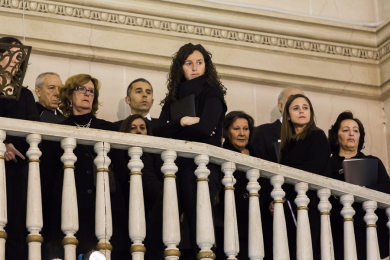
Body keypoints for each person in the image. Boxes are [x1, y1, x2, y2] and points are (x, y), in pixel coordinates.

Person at [148, 43, 227, 259]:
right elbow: (157, 130)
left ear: (206, 66)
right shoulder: (175, 97)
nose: (195, 68)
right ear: (180, 68)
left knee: (199, 229)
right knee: (157, 226)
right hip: (177, 168)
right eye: (188, 63)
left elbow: (205, 128)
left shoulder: (213, 92)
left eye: (199, 63)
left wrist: (175, 129)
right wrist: (182, 121)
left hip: (202, 168)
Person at [41, 74, 130, 259]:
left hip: (104, 206)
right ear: (69, 95)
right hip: (68, 206)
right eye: (81, 89)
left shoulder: (108, 128)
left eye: (91, 91)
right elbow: (48, 176)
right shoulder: (56, 129)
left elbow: (120, 173)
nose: (87, 94)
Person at [328, 111, 390, 259]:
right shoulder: (328, 164)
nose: (351, 134)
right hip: (338, 227)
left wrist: (365, 191)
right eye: (345, 130)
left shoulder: (373, 162)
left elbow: (388, 187)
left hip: (369, 225)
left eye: (355, 131)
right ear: (337, 136)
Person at [0, 36, 39, 260]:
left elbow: (32, 128)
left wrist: (14, 147)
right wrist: (2, 144)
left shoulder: (25, 94)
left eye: (19, 57)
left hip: (18, 164)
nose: (16, 61)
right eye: (11, 55)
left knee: (16, 221)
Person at [279, 94, 331, 260]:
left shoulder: (317, 136)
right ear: (287, 115)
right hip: (293, 204)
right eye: (296, 108)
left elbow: (312, 169)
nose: (301, 111)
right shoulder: (287, 144)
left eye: (305, 107)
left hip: (312, 204)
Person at [216, 111, 262, 259]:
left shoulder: (259, 155)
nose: (242, 133)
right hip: (232, 222)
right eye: (236, 129)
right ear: (227, 131)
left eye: (245, 129)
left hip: (259, 221)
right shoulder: (221, 154)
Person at [252, 87, 304, 162]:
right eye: (292, 99)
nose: (298, 104)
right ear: (280, 106)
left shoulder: (315, 135)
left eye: (302, 100)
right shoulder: (261, 132)